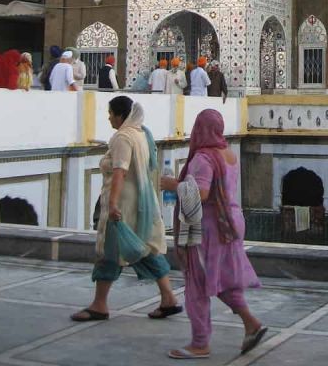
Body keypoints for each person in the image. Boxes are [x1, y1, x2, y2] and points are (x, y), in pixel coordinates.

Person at [162, 109, 265, 359]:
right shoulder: (228, 153)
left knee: (196, 282)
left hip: (207, 227)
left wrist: (173, 186)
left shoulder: (203, 157)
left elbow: (202, 193)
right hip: (230, 220)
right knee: (221, 278)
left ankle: (200, 343)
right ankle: (251, 323)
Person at [70, 96, 181, 321]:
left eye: (111, 113)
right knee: (145, 247)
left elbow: (120, 171)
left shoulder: (123, 137)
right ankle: (168, 297)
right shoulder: (142, 133)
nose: (109, 117)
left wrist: (112, 203)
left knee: (110, 249)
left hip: (124, 203)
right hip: (142, 201)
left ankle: (100, 304)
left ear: (121, 115)